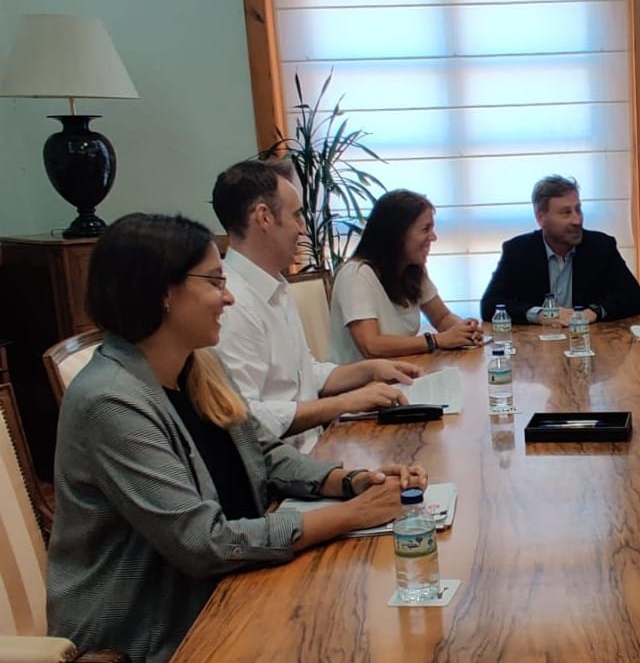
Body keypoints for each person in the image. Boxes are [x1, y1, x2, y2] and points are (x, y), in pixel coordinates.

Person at [45, 213, 427, 662]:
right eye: (213, 281)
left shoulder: (197, 363)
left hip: (234, 586)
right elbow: (203, 544)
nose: (228, 298)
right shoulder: (110, 401)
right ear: (162, 292)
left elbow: (263, 453)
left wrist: (350, 481)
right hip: (153, 633)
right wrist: (350, 516)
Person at [212, 159, 420, 453]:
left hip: (316, 448)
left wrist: (370, 370)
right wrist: (344, 403)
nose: (302, 229)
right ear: (264, 218)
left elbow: (304, 374)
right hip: (282, 472)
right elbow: (247, 419)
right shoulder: (230, 302)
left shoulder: (276, 284)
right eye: (296, 215)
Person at [329, 189, 484, 363]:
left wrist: (465, 331)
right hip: (362, 385)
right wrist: (436, 340)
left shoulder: (412, 269)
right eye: (426, 229)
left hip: (402, 373)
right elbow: (370, 346)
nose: (433, 237)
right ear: (398, 234)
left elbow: (442, 318)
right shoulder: (355, 275)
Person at [479, 174, 640, 325]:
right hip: (536, 348)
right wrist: (539, 315)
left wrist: (593, 312)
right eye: (566, 213)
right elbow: (489, 306)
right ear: (541, 218)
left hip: (589, 343)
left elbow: (635, 299)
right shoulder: (518, 250)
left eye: (578, 209)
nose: (577, 220)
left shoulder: (601, 246)